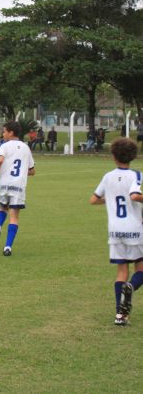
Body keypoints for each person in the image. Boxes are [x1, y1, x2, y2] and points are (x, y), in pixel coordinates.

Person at [90, 138, 143, 326]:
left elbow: (93, 200)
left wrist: (111, 199)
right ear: (133, 156)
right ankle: (131, 287)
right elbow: (135, 196)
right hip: (134, 228)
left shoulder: (108, 177)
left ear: (113, 156)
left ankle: (120, 315)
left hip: (115, 231)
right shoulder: (136, 175)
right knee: (140, 268)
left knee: (121, 271)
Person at [0, 121, 36, 256]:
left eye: (4, 131)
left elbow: (0, 160)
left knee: (2, 208)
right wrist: (22, 171)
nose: (2, 134)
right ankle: (7, 247)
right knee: (14, 216)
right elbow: (32, 171)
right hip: (18, 185)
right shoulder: (26, 148)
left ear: (11, 133)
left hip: (4, 183)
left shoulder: (4, 146)